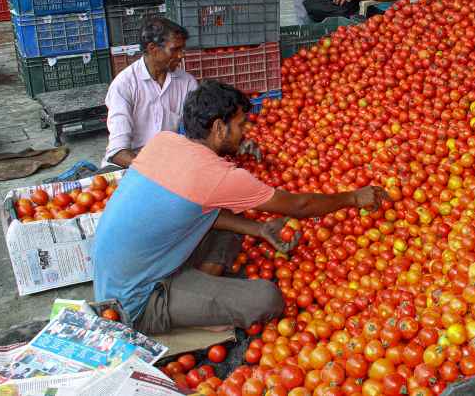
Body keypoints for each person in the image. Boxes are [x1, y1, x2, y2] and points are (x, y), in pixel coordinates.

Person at [93, 80, 388, 335]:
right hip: (136, 301)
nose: (245, 132)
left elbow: (192, 211)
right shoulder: (217, 176)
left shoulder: (163, 142)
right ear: (219, 128)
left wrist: (258, 230)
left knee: (229, 218)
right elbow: (300, 204)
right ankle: (196, 308)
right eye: (241, 125)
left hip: (125, 270)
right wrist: (353, 198)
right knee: (267, 298)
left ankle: (202, 291)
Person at [102, 17, 198, 169]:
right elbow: (117, 152)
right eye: (175, 50)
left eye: (182, 49)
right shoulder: (123, 85)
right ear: (153, 49)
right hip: (131, 164)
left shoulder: (187, 82)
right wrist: (154, 170)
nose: (181, 55)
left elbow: (197, 130)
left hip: (167, 162)